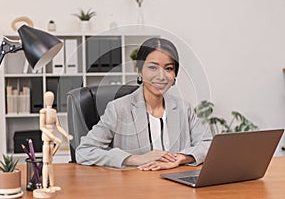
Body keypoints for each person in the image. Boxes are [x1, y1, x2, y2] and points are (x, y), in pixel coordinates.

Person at [76, 38, 212, 171]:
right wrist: (135, 159)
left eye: (169, 68)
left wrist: (182, 158)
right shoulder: (119, 109)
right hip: (136, 188)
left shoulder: (183, 108)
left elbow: (208, 144)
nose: (161, 76)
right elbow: (84, 151)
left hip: (176, 186)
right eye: (153, 67)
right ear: (140, 71)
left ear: (175, 74)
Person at [37, 91, 73, 195]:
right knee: (45, 163)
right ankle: (44, 186)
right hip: (47, 138)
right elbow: (42, 127)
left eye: (51, 98)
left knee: (51, 163)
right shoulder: (43, 111)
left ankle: (52, 185)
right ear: (45, 99)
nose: (50, 100)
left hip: (53, 139)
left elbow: (57, 126)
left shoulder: (54, 111)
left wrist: (66, 135)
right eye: (48, 98)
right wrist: (53, 137)